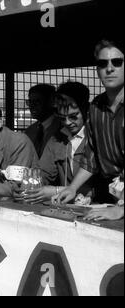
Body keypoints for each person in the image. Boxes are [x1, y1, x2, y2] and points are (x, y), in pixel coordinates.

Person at [55, 39, 124, 209]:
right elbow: (91, 158)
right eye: (102, 63)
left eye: (117, 62)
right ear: (97, 70)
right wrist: (72, 188)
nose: (109, 68)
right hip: (109, 193)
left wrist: (121, 209)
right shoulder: (96, 107)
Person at [20, 82, 93, 204]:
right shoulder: (57, 139)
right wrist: (28, 185)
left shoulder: (97, 138)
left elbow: (103, 186)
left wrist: (56, 190)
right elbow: (43, 172)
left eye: (73, 116)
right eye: (62, 118)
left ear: (85, 109)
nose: (68, 123)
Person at [25, 84, 60, 158]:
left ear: (51, 102)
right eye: (30, 102)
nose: (32, 106)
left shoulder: (62, 129)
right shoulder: (30, 131)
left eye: (37, 102)